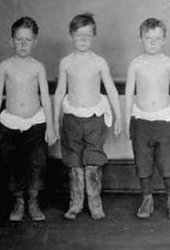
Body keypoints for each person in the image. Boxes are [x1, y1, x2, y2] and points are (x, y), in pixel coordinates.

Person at [53, 13, 122, 220]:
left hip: (95, 118)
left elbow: (110, 89)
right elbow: (59, 92)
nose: (83, 39)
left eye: (88, 35)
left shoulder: (99, 62)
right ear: (71, 35)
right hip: (72, 118)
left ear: (94, 36)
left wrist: (118, 117)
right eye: (78, 35)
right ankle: (75, 203)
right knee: (74, 161)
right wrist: (55, 121)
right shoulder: (66, 62)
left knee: (92, 160)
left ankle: (95, 203)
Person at [0, 16, 57, 221]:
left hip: (35, 123)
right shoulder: (5, 66)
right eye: (19, 40)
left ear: (35, 42)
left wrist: (51, 127)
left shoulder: (38, 67)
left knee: (37, 163)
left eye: (28, 40)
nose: (24, 44)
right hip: (10, 123)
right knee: (13, 163)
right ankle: (19, 202)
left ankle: (33, 202)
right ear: (12, 41)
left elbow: (45, 97)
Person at [125, 18, 170, 220]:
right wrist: (126, 122)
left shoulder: (168, 63)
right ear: (141, 38)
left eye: (157, 38)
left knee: (168, 161)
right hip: (140, 119)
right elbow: (129, 93)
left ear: (164, 40)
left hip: (164, 119)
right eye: (148, 38)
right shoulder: (135, 63)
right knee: (143, 161)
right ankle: (147, 198)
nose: (153, 42)